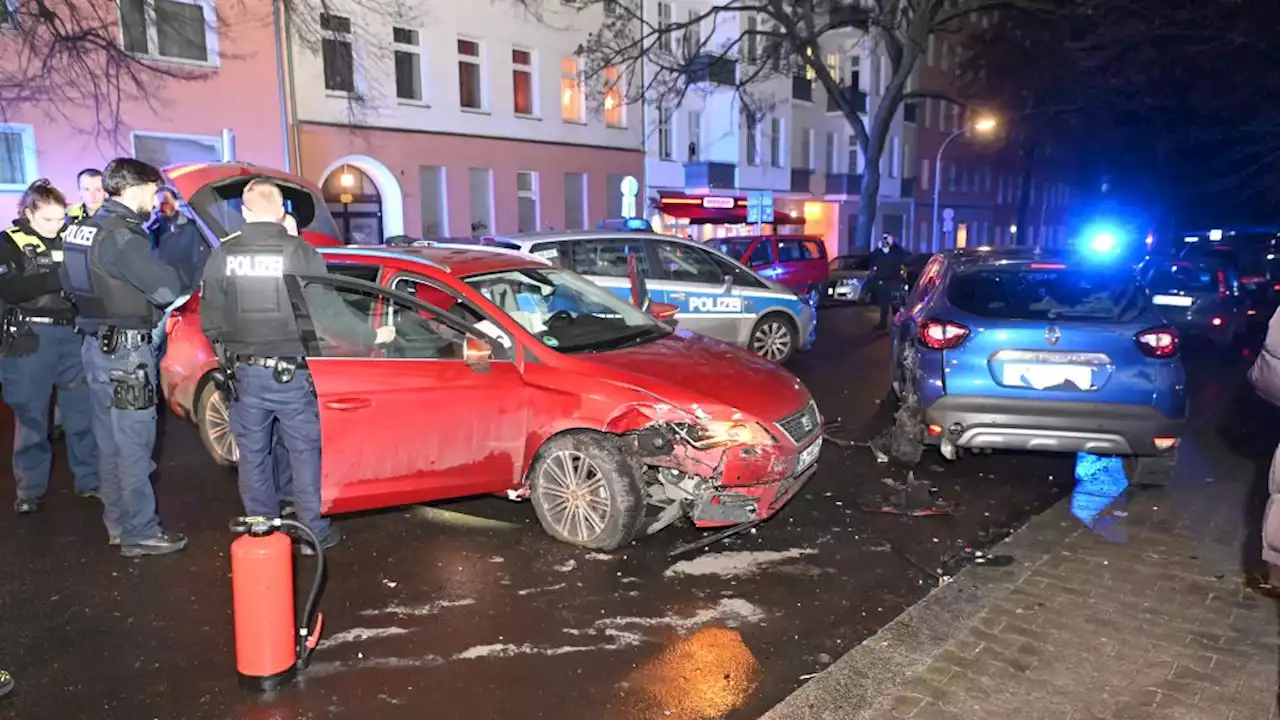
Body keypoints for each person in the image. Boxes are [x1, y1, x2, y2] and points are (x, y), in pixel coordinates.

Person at [201, 179, 391, 554]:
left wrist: (230, 358)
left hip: (245, 374)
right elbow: (327, 311)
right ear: (281, 212)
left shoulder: (223, 255)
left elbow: (211, 321)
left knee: (253, 454)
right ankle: (311, 534)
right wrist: (371, 337)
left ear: (245, 211)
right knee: (303, 452)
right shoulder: (299, 252)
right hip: (291, 374)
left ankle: (262, 528)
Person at [61, 158, 190, 557]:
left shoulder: (81, 229)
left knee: (110, 443)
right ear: (136, 188)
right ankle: (140, 531)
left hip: (94, 347)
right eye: (153, 192)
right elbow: (167, 289)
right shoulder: (122, 235)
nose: (155, 201)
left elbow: (68, 283)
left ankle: (118, 524)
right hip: (127, 355)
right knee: (134, 444)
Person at [0, 180, 99, 513]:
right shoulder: (8, 243)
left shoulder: (71, 237)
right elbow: (11, 289)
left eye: (61, 219)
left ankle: (89, 481)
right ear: (29, 213)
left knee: (81, 414)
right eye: (48, 220)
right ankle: (29, 491)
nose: (57, 227)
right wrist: (60, 277)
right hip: (31, 339)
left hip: (71, 336)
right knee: (31, 417)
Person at [868, 233, 907, 330]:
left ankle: (899, 324)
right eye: (884, 238)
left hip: (893, 280)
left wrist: (889, 251)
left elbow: (899, 259)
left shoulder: (897, 251)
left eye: (888, 238)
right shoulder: (880, 251)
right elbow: (870, 258)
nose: (886, 240)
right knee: (883, 304)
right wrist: (878, 248)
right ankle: (882, 324)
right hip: (882, 280)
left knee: (896, 304)